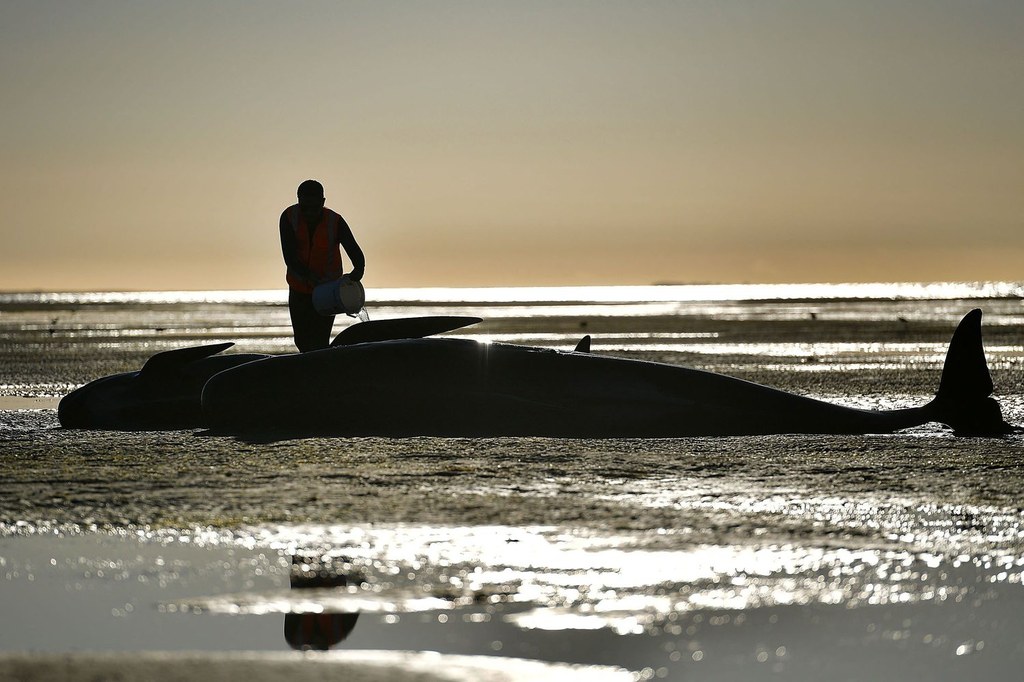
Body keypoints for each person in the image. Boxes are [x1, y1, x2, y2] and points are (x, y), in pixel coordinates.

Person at [280, 179, 365, 352]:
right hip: (299, 290)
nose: (310, 213)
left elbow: (355, 253)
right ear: (298, 201)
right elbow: (290, 258)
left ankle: (323, 371)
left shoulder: (335, 221)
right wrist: (309, 277)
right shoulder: (289, 217)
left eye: (315, 208)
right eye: (305, 208)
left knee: (319, 341)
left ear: (323, 202)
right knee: (302, 340)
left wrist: (357, 273)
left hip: (327, 292)